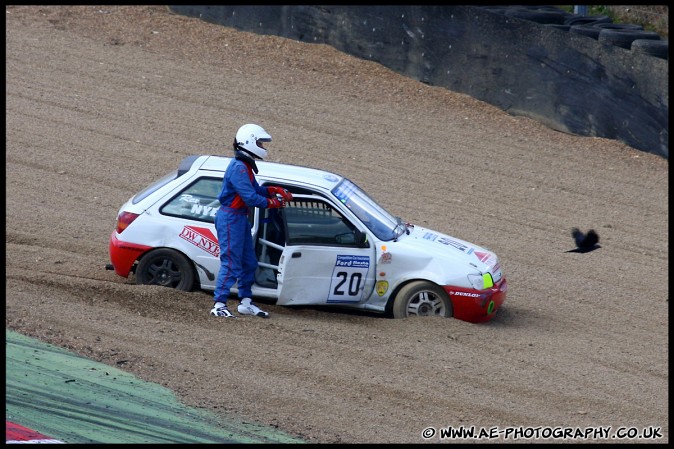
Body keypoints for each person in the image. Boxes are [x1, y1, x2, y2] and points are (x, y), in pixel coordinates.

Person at [210, 123, 293, 318]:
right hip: (231, 218)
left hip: (239, 218)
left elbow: (255, 190)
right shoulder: (239, 168)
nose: (263, 147)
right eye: (260, 143)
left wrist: (273, 190)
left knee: (249, 262)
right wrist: (273, 202)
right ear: (249, 142)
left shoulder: (244, 166)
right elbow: (250, 197)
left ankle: (245, 302)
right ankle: (219, 304)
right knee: (231, 263)